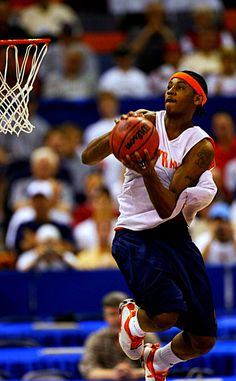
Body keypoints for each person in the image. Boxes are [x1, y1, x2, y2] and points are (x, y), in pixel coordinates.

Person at [81, 70, 218, 380]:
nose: (171, 91)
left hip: (173, 233)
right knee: (164, 314)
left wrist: (148, 172)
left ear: (198, 99)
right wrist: (119, 131)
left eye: (181, 88)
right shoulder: (144, 120)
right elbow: (88, 156)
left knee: (204, 339)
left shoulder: (200, 147)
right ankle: (133, 319)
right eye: (169, 86)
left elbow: (167, 207)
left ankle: (158, 360)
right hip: (134, 233)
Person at [79, 291, 159, 380]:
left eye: (121, 314)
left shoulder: (147, 337)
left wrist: (135, 373)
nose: (118, 319)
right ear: (105, 317)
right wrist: (113, 374)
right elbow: (89, 371)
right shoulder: (96, 338)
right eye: (112, 314)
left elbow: (159, 367)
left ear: (131, 314)